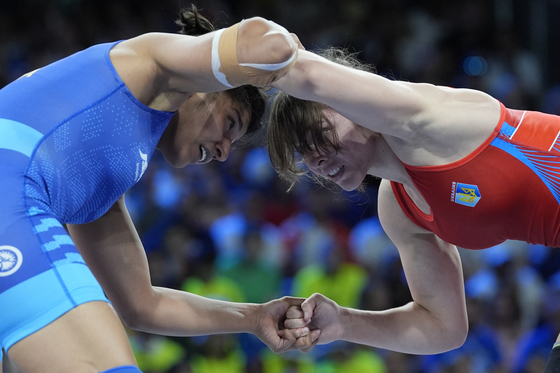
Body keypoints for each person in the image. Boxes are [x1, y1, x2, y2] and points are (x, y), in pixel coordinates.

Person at [0, 6, 317, 373]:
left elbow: (141, 305)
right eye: (229, 123)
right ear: (207, 87)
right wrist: (304, 69)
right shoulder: (151, 59)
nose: (223, 150)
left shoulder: (100, 179)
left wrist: (253, 316)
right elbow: (269, 46)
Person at [266, 45, 560, 371]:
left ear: (356, 105)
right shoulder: (397, 208)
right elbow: (443, 327)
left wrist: (222, 59)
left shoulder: (424, 117)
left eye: (319, 135)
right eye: (303, 151)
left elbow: (306, 73)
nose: (315, 160)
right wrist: (344, 322)